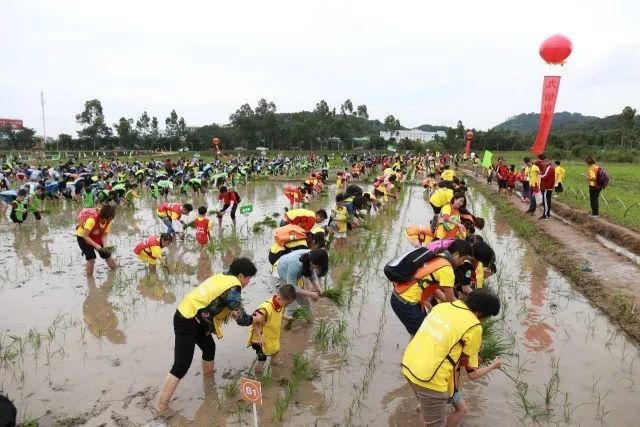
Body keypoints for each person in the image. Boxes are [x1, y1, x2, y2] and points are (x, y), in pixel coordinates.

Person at [157, 258, 258, 412]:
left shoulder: (222, 276)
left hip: (195, 317)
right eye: (249, 278)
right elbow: (241, 319)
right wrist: (256, 319)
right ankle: (162, 406)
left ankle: (208, 378)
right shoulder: (233, 288)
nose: (248, 282)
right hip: (187, 319)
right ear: (241, 276)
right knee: (181, 366)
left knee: (209, 348)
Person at [401, 289, 501, 427]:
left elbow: (446, 343)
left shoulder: (442, 307)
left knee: (428, 409)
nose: (483, 321)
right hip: (430, 379)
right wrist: (493, 365)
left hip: (409, 365)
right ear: (479, 313)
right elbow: (472, 374)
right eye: (486, 318)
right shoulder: (474, 326)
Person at [390, 240, 472, 336]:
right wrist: (467, 310)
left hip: (402, 297)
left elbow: (434, 289)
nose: (462, 264)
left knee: (421, 332)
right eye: (463, 260)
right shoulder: (447, 269)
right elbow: (450, 299)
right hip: (406, 302)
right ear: (456, 254)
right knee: (423, 336)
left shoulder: (439, 257)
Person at [247, 284, 297, 374]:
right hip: (260, 339)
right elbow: (254, 321)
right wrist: (259, 336)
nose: (286, 306)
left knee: (275, 351)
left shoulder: (280, 305)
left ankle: (275, 367)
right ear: (279, 298)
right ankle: (258, 375)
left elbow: (279, 314)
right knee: (262, 359)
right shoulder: (265, 308)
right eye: (286, 304)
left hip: (271, 336)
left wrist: (287, 318)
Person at [276, 248, 327, 319]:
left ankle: (309, 323)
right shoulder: (295, 265)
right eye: (317, 267)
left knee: (305, 303)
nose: (317, 269)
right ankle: (286, 326)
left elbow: (312, 275)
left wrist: (318, 289)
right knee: (291, 305)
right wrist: (311, 294)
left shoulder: (312, 256)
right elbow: (291, 287)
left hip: (293, 277)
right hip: (281, 274)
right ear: (312, 262)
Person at [76, 205, 117, 276]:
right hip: (83, 237)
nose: (109, 220)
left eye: (110, 218)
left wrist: (105, 246)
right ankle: (89, 279)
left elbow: (104, 235)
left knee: (106, 254)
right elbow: (85, 236)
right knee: (91, 258)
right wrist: (96, 245)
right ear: (102, 216)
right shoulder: (92, 220)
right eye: (108, 218)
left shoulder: (109, 221)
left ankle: (115, 272)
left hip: (96, 235)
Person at [538, 155, 555, 220]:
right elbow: (544, 174)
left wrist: (538, 175)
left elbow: (545, 176)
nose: (542, 164)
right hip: (547, 187)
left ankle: (546, 215)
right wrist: (541, 173)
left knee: (546, 202)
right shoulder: (548, 167)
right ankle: (546, 214)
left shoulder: (549, 168)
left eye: (542, 162)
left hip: (547, 187)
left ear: (546, 161)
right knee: (547, 201)